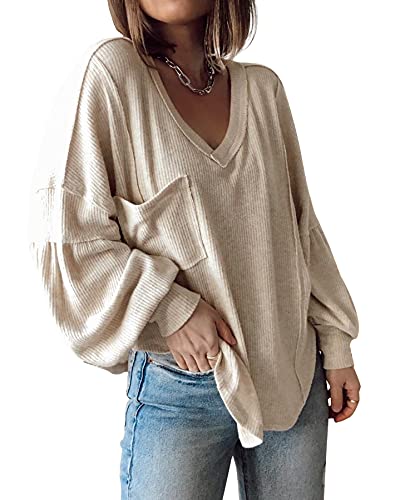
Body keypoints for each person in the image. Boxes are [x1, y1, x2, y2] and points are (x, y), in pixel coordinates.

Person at [28, 1, 361, 498]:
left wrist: (335, 343)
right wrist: (170, 306)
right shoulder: (112, 74)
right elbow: (68, 235)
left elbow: (301, 232)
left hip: (293, 376)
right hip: (181, 387)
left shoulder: (264, 90)